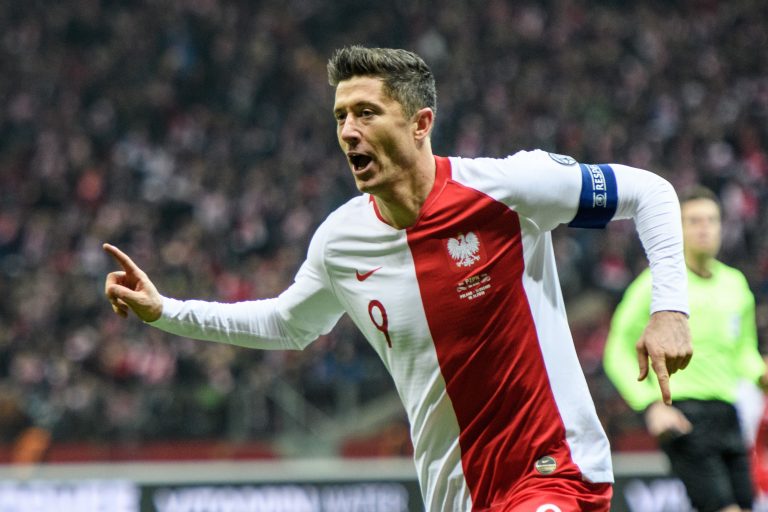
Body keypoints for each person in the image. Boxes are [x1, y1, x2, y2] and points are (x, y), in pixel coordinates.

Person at [104, 46, 692, 511]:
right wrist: (166, 310)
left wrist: (669, 308)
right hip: (454, 494)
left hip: (553, 471)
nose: (348, 130)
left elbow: (650, 192)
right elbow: (287, 323)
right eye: (340, 116)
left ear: (420, 123)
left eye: (366, 112)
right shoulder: (341, 241)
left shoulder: (506, 188)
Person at [603, 185, 766, 512]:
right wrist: (650, 405)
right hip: (683, 413)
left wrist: (761, 375)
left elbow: (744, 352)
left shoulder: (735, 285)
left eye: (711, 220)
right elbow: (616, 350)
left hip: (728, 412)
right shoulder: (656, 284)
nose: (704, 228)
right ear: (678, 229)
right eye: (694, 221)